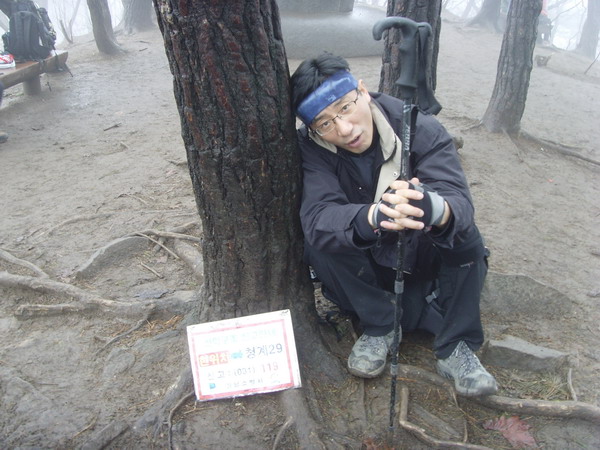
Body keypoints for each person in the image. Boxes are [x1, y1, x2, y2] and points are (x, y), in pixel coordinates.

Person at [290, 53, 498, 397]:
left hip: (420, 254)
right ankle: (381, 324)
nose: (344, 129)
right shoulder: (313, 147)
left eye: (345, 108)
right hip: (367, 262)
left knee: (465, 235)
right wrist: (374, 216)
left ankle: (456, 345)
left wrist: (431, 207)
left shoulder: (419, 127)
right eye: (324, 123)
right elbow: (318, 215)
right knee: (319, 240)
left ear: (362, 90)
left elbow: (459, 202)